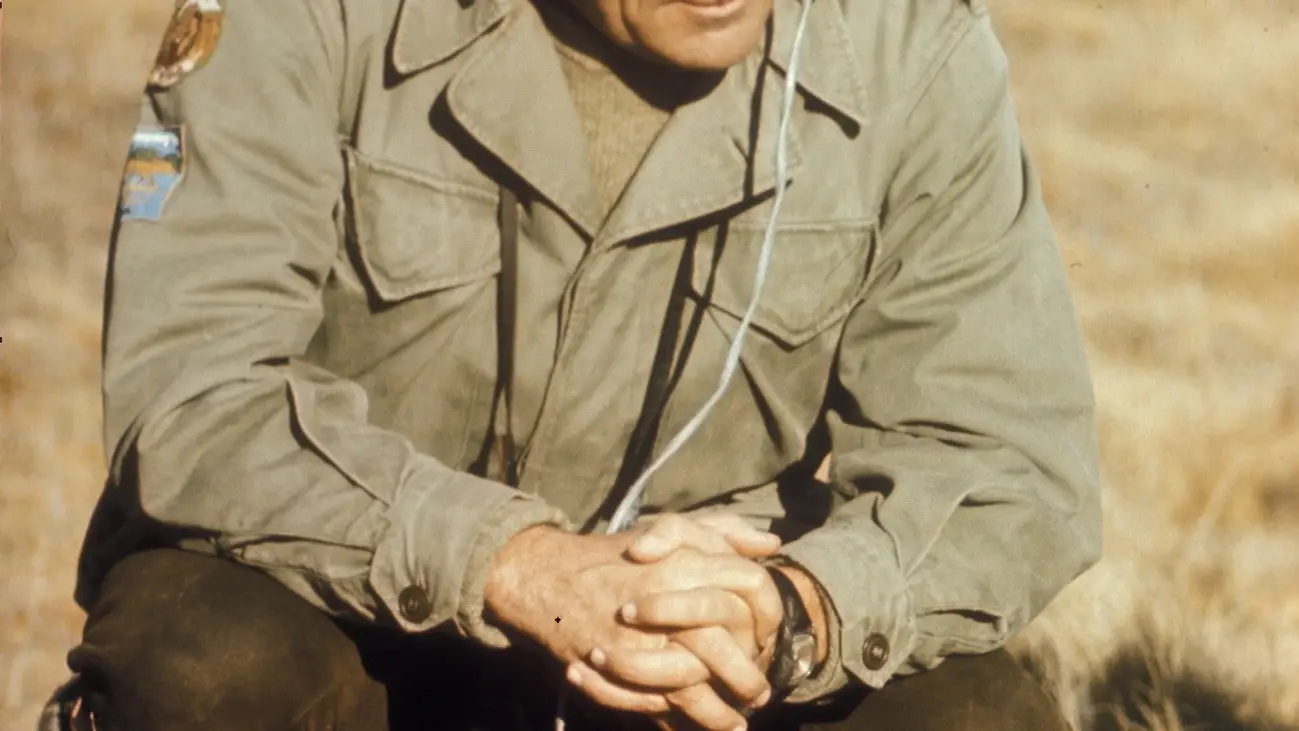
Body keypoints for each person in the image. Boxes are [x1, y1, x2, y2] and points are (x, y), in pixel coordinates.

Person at [46, 0, 1102, 728]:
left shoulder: (915, 44)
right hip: (342, 607)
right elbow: (196, 389)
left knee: (981, 714)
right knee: (205, 675)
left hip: (700, 656)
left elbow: (1007, 461)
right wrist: (516, 563)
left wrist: (794, 610)